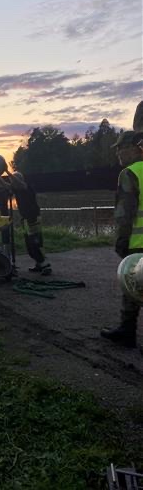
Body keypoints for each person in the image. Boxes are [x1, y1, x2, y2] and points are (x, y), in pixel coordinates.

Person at [100, 130, 143, 348]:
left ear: (136, 147)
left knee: (133, 285)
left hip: (138, 244)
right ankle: (126, 331)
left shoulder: (130, 173)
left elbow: (125, 213)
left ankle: (127, 332)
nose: (119, 153)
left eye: (122, 148)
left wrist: (121, 241)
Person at [4, 171, 51, 276]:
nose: (12, 181)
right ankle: (39, 264)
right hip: (25, 219)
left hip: (33, 218)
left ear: (19, 179)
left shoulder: (26, 187)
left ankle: (45, 264)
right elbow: (6, 186)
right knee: (29, 244)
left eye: (13, 179)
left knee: (36, 242)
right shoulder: (17, 189)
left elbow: (18, 182)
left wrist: (7, 171)